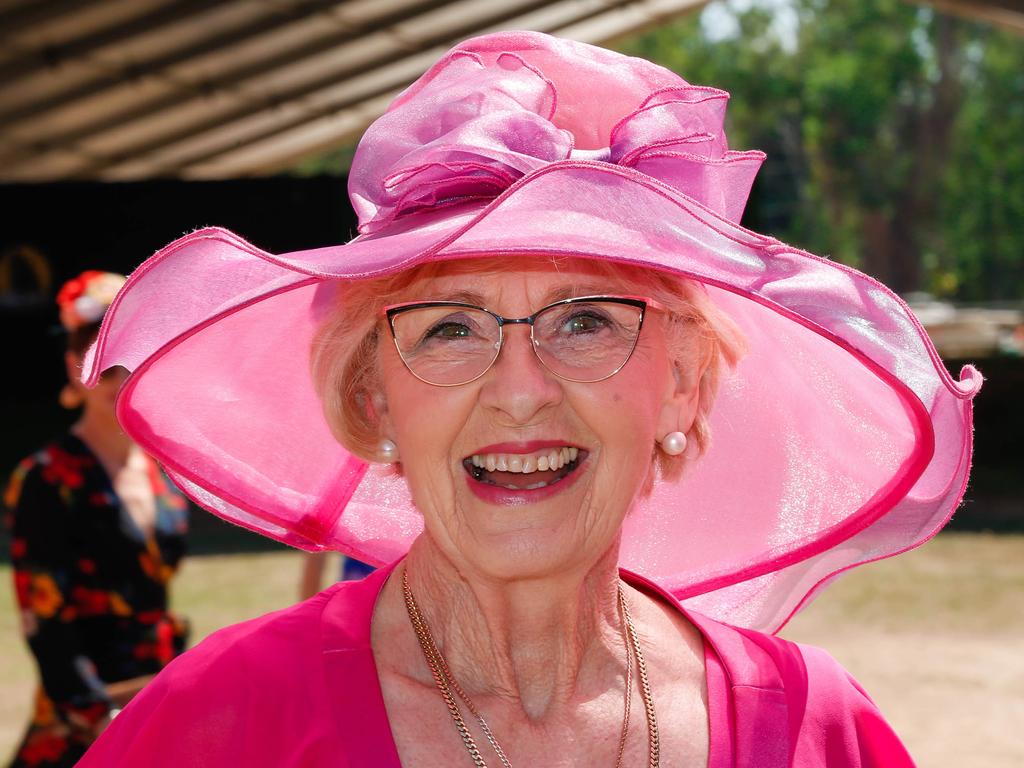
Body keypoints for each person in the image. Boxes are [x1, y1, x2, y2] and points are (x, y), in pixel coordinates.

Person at [77, 32, 980, 766]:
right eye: (450, 329)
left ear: (681, 383)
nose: (519, 393)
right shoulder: (221, 725)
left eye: (586, 321)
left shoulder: (815, 730)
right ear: (375, 398)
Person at [4, 271, 189, 767]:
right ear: (72, 368)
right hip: (84, 718)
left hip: (156, 698)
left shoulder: (160, 471)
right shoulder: (45, 478)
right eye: (100, 365)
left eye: (130, 361)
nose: (119, 379)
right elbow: (43, 621)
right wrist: (98, 715)